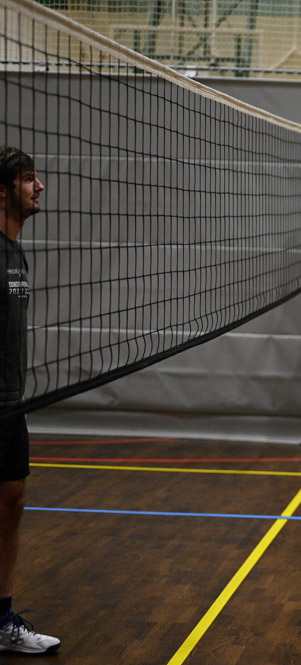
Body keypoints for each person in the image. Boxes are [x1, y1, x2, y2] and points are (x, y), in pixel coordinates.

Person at [0, 145, 60, 655]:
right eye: (28, 179)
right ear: (2, 193)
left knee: (12, 504)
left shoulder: (14, 252)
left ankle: (1, 619)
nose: (39, 187)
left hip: (9, 402)